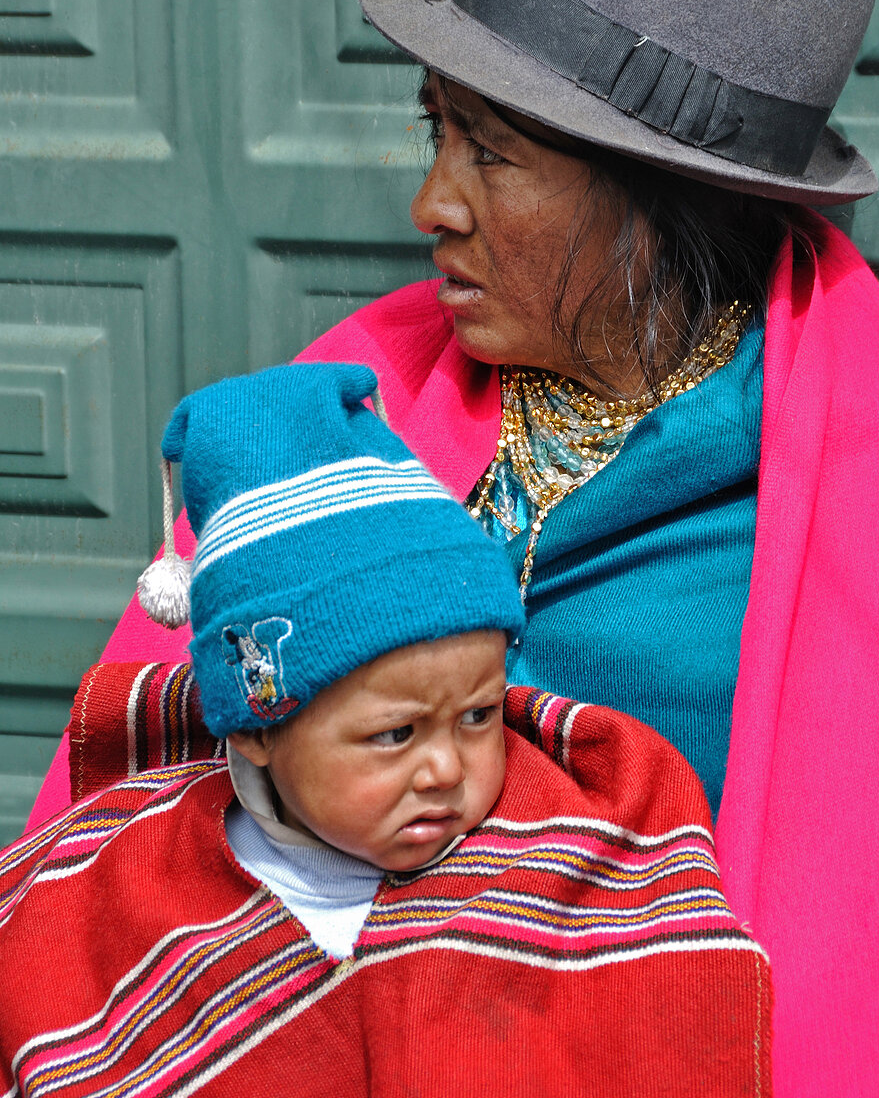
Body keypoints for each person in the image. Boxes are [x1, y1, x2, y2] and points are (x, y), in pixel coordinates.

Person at [25, 0, 879, 1097]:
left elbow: (877, 972)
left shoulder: (870, 533)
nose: (432, 206)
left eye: (489, 155)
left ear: (662, 202)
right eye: (437, 134)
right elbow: (137, 808)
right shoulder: (342, 406)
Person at [1, 363, 772, 1098]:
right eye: (395, 735)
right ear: (257, 728)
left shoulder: (553, 867)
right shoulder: (121, 890)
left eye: (476, 717)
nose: (445, 769)